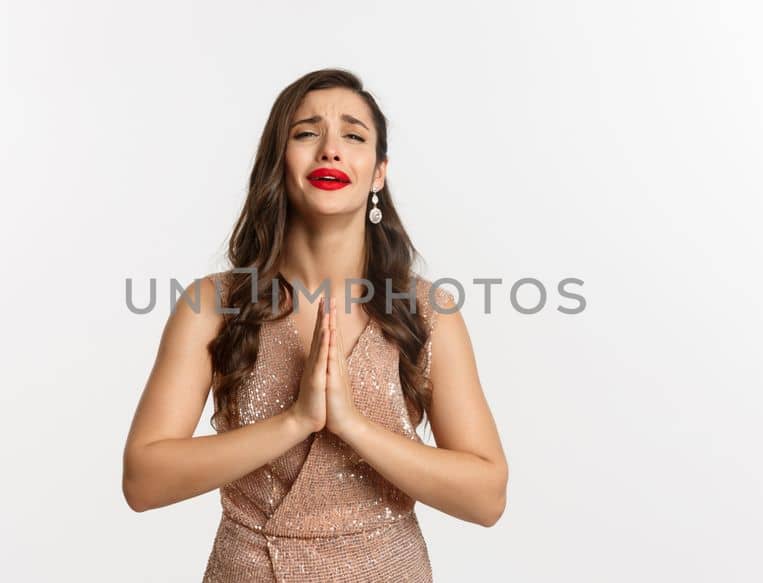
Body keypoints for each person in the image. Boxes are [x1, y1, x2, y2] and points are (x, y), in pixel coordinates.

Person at [122, 68, 508, 582]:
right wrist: (295, 421)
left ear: (378, 173)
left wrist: (352, 425)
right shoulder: (213, 304)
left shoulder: (425, 311)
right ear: (277, 162)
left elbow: (487, 497)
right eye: (306, 133)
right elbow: (143, 481)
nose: (330, 149)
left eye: (353, 135)